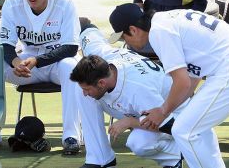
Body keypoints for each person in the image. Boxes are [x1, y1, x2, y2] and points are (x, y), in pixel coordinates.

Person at [108, 3, 229, 168]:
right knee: (195, 127)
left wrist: (162, 111)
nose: (127, 43)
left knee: (184, 131)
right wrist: (166, 108)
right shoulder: (164, 20)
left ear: (133, 29)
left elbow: (182, 82)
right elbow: (191, 79)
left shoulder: (159, 33)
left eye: (124, 37)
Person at [71, 21, 186, 168]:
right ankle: (100, 159)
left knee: (139, 142)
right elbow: (86, 26)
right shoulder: (101, 56)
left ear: (101, 83)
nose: (85, 94)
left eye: (88, 89)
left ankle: (175, 154)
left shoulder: (138, 90)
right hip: (138, 108)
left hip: (173, 113)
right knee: (81, 88)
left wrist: (130, 122)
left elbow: (172, 126)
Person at [0, 0, 82, 154]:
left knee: (71, 67)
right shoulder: (13, 2)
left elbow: (70, 48)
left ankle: (71, 136)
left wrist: (38, 61)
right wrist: (15, 62)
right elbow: (5, 44)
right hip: (27, 64)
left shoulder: (65, 4)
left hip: (57, 63)